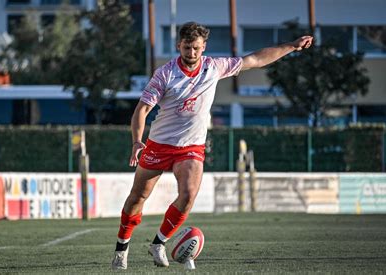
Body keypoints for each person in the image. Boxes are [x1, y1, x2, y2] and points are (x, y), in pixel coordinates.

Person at [111, 21, 313, 270]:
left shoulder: (214, 67)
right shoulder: (165, 74)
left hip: (191, 147)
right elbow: (142, 110)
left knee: (188, 195)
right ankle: (122, 249)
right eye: (186, 47)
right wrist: (137, 141)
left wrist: (291, 46)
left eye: (196, 48)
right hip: (159, 144)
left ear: (203, 47)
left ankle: (158, 243)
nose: (191, 53)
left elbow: (255, 60)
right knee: (138, 197)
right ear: (179, 46)